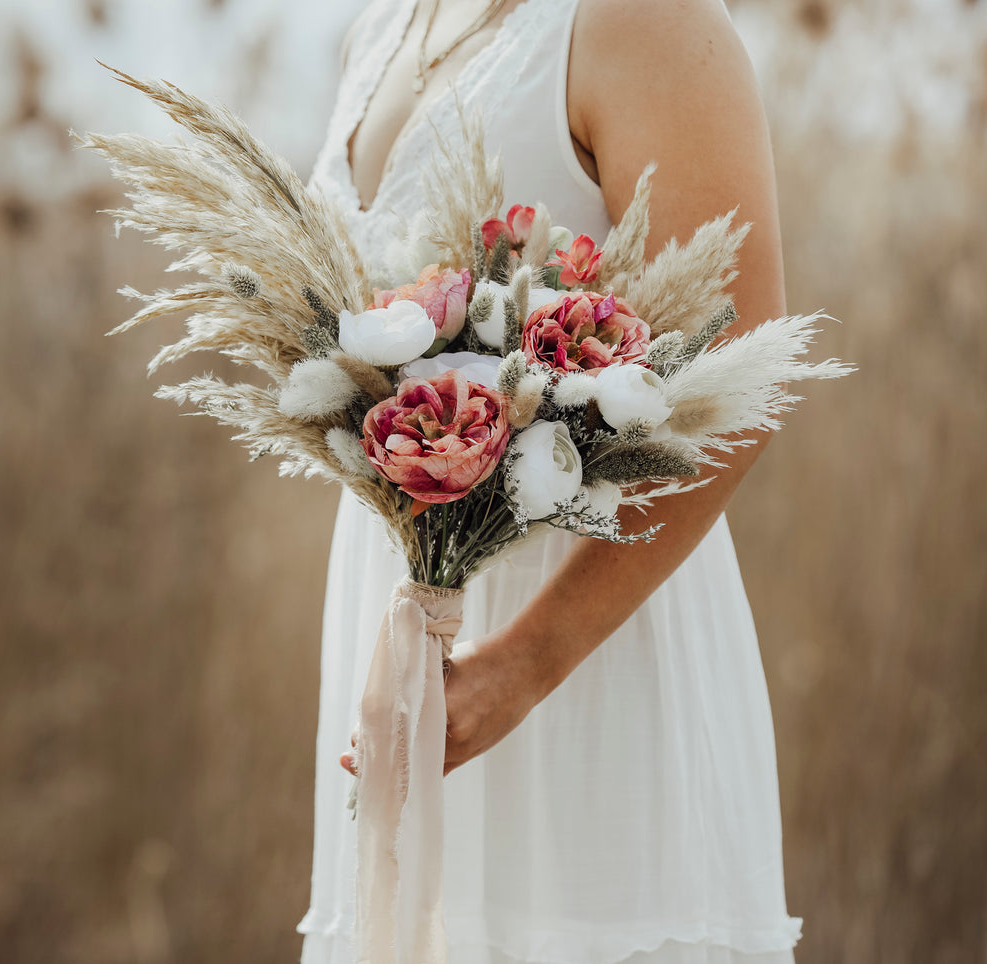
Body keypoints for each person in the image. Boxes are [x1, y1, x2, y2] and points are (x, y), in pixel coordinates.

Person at [296, 0, 804, 962]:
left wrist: (522, 665)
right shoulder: (381, 29)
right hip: (397, 612)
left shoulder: (643, 22)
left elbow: (742, 371)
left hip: (586, 642)